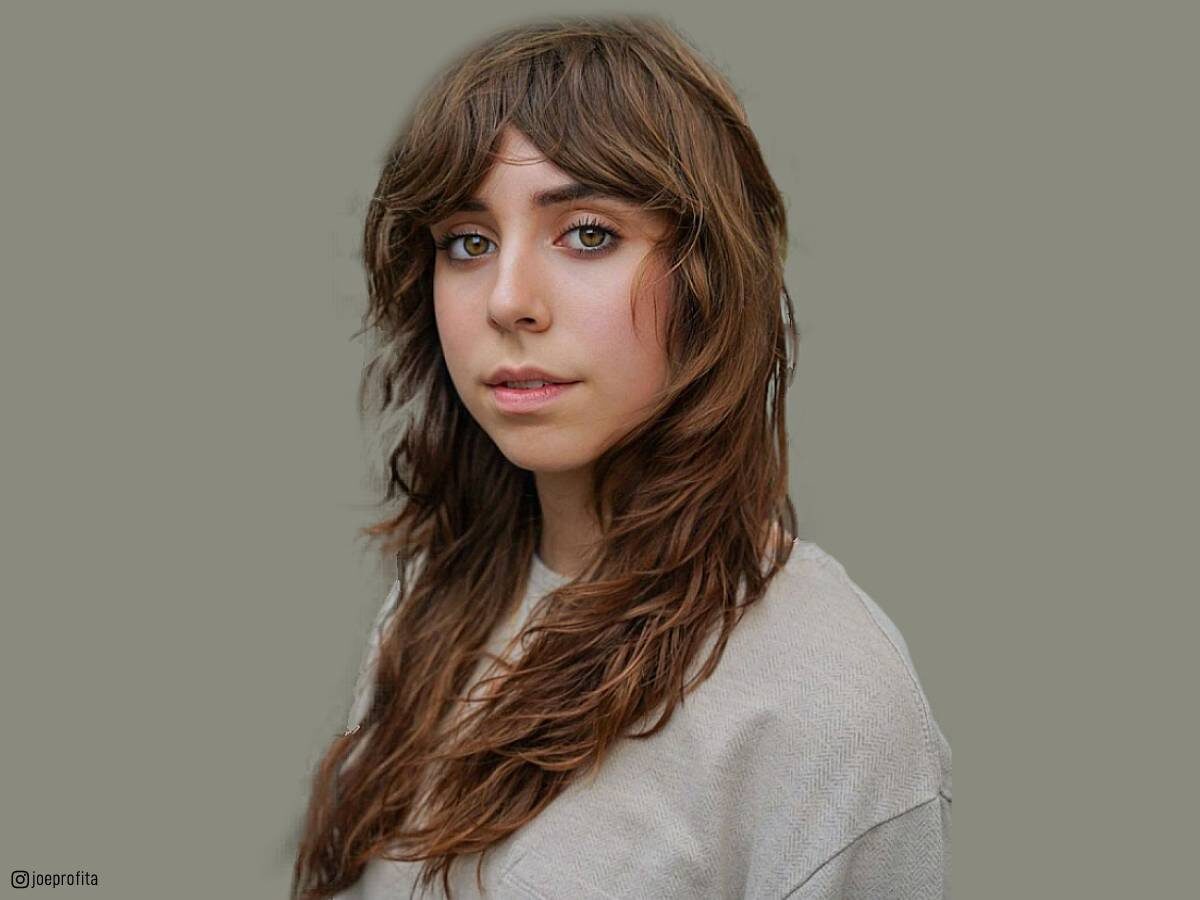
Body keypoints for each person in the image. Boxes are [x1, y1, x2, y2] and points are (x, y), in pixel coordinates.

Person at [291, 14, 951, 900]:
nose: (508, 300)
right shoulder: (432, 604)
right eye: (468, 242)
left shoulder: (828, 703)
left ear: (708, 276)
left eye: (588, 233)